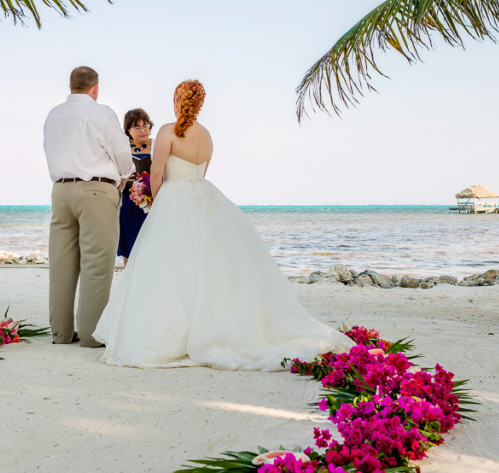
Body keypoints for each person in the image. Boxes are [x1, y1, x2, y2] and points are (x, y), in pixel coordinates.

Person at [94, 80, 353, 369]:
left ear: (177, 101)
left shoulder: (167, 131)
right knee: (206, 267)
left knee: (170, 266)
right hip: (203, 198)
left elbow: (156, 174)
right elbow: (202, 172)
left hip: (173, 200)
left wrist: (154, 202)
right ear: (200, 104)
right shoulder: (207, 136)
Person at [43, 66, 134, 347]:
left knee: (61, 264)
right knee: (96, 264)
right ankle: (91, 335)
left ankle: (60, 333)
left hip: (61, 191)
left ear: (71, 86)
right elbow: (123, 156)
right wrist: (123, 178)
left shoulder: (53, 115)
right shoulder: (102, 113)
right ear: (95, 89)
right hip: (96, 190)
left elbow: (48, 148)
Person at [118, 108, 154, 265]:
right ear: (128, 130)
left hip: (152, 203)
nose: (143, 130)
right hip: (128, 204)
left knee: (150, 247)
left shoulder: (157, 146)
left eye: (146, 126)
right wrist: (124, 178)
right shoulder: (122, 148)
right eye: (137, 127)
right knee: (130, 250)